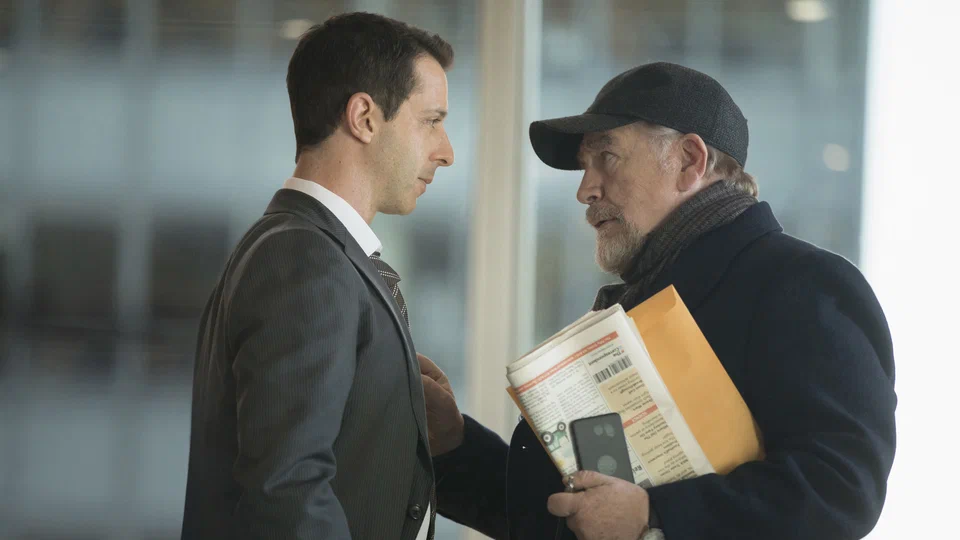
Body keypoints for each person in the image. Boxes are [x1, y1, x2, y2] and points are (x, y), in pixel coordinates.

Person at [421, 62, 896, 540]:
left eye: (607, 156)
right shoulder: (644, 298)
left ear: (689, 160)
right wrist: (452, 443)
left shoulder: (803, 284)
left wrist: (654, 513)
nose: (586, 190)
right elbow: (573, 514)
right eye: (586, 166)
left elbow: (841, 489)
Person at [180, 12, 454, 540]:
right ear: (364, 117)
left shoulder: (308, 248)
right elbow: (288, 493)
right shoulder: (304, 257)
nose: (446, 151)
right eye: (431, 121)